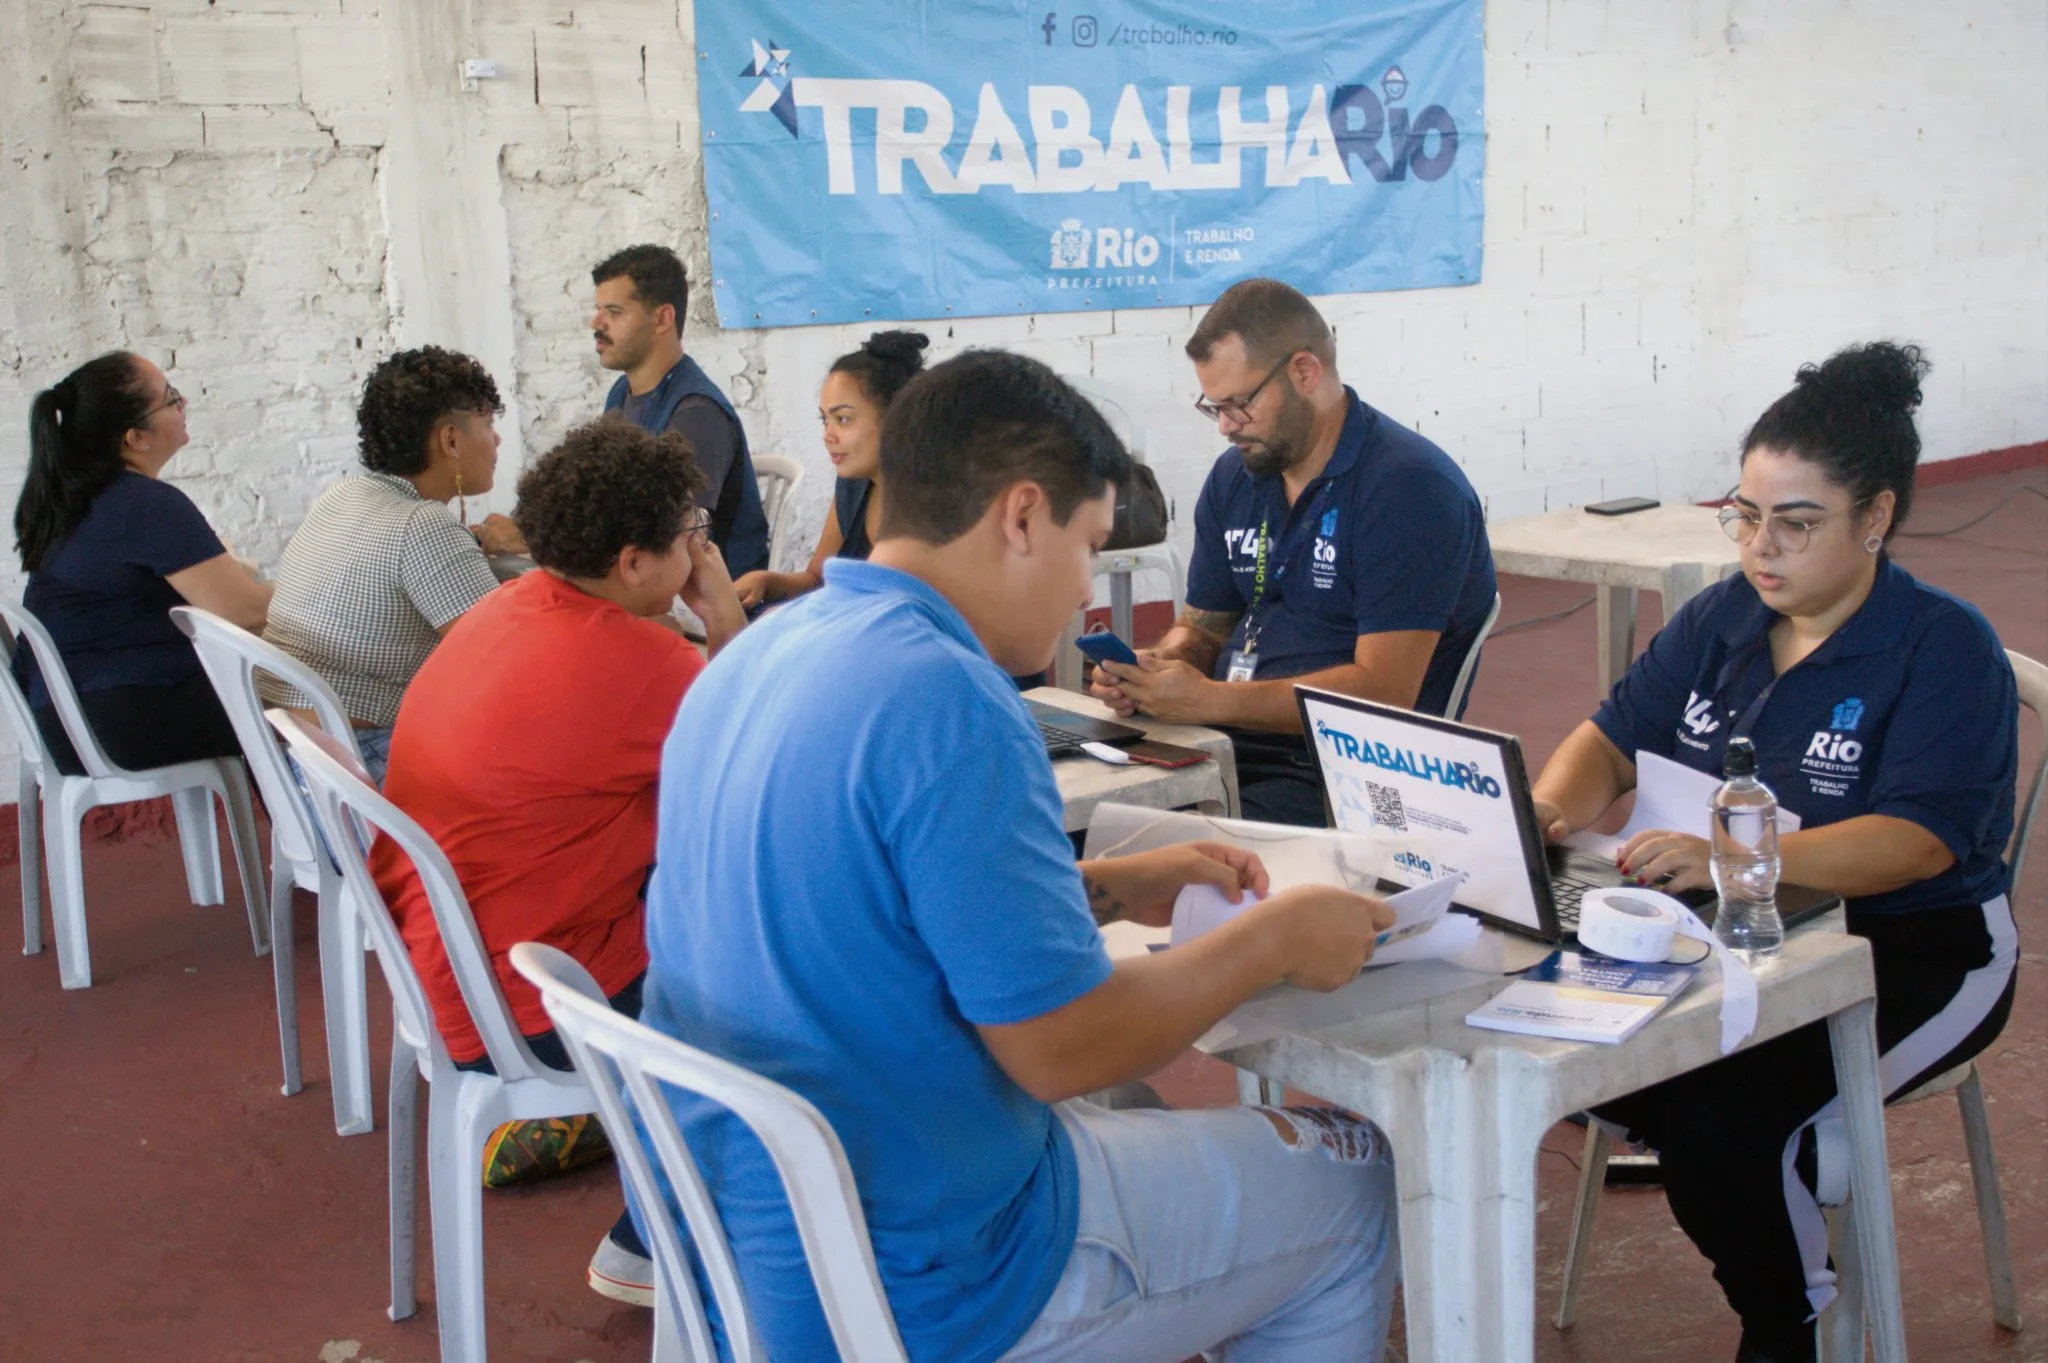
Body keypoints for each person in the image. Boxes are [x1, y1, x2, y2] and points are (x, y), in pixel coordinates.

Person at [641, 349, 1402, 1362]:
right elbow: (1060, 1049)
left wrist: (1099, 885)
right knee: (1353, 1185)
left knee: (1129, 1116)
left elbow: (854, 905)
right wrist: (1276, 938)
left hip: (747, 1241)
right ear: (1020, 515)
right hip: (933, 1275)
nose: (1088, 592)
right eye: (1088, 546)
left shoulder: (754, 656)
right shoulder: (950, 699)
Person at [1529, 342, 2019, 1363]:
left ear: (1874, 518)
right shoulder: (1720, 616)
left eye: (1794, 523)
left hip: (1912, 951)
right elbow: (1608, 739)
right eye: (1743, 515)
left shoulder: (1942, 649)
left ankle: (1786, 1323)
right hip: (1736, 935)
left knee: (1721, 1126)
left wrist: (1726, 859)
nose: (1761, 547)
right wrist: (1545, 808)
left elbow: (1915, 845)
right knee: (1566, 1057)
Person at [371, 418, 744, 1305]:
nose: (698, 547)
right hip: (531, 1001)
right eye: (687, 534)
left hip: (445, 969)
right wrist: (724, 613)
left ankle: (653, 1221)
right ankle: (665, 1239)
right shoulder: (644, 660)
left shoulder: (508, 607)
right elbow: (763, 769)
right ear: (632, 563)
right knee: (787, 966)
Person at [1090, 278, 1498, 827]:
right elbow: (1205, 627)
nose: (1227, 427)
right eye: (1215, 408)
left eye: (1239, 404)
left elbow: (1383, 693)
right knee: (1057, 818)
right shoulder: (1238, 475)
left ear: (1305, 372)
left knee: (1133, 844)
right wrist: (1161, 668)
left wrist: (1206, 700)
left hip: (1338, 777)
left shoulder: (1409, 488)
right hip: (1218, 743)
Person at [261, 347, 524, 782]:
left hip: (296, 759)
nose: (496, 440)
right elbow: (512, 661)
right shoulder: (422, 525)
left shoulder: (341, 496)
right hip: (366, 763)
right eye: (488, 424)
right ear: (451, 440)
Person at [12, 352, 271, 775]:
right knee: (312, 699)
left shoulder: (73, 498)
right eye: (171, 398)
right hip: (121, 719)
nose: (183, 404)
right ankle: (336, 835)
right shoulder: (142, 504)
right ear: (136, 438)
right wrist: (315, 583)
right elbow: (244, 612)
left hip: (65, 719)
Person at [591, 244, 770, 578]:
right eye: (598, 309)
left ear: (662, 318)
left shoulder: (697, 412)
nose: (596, 322)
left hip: (703, 604)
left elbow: (672, 536)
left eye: (614, 312)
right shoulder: (621, 394)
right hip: (641, 580)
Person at [731, 329, 928, 609]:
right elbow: (817, 579)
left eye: (843, 419)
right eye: (825, 420)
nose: (828, 435)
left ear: (896, 418)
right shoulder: (853, 485)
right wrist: (767, 581)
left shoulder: (931, 503)